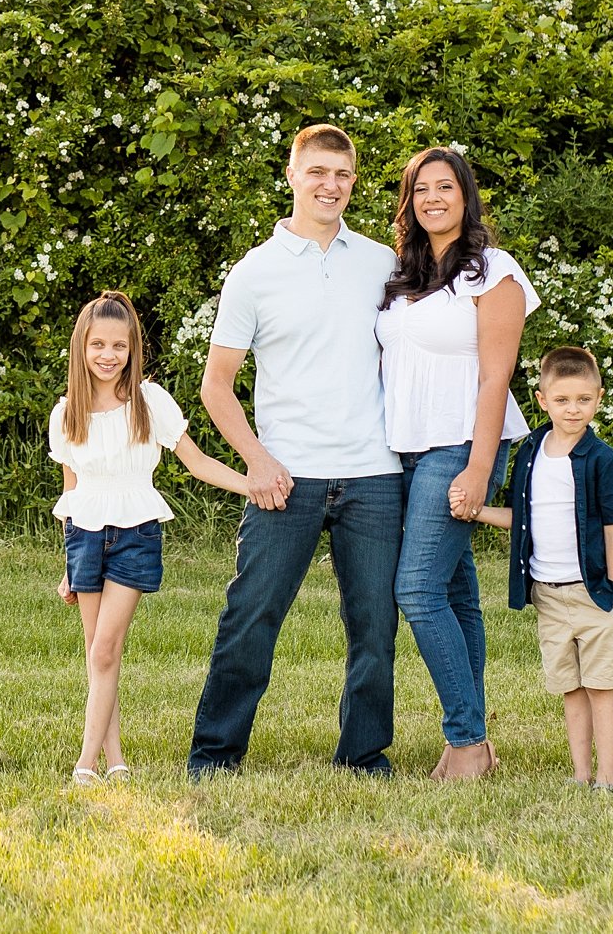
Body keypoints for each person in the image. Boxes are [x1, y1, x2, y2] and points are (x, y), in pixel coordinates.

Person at [188, 123, 406, 777]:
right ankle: (215, 754)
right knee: (250, 617)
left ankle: (364, 754)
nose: (329, 185)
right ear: (291, 175)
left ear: (353, 182)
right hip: (286, 477)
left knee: (374, 627)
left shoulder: (381, 263)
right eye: (316, 171)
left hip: (374, 473)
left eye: (341, 174)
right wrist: (256, 459)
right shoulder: (254, 272)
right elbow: (216, 386)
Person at [379, 145, 535, 781]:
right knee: (451, 588)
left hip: (463, 443)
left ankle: (467, 739)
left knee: (415, 589)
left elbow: (497, 377)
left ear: (466, 197)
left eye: (445, 188)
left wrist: (477, 469)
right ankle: (474, 737)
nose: (433, 199)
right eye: (421, 191)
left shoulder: (493, 271)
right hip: (407, 446)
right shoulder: (403, 274)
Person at [50, 290, 250, 785]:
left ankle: (85, 764)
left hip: (135, 531)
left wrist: (253, 482)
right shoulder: (66, 413)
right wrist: (68, 566)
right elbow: (70, 491)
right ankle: (114, 759)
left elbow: (197, 462)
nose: (108, 356)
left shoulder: (149, 401)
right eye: (98, 345)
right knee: (99, 653)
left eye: (119, 346)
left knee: (104, 649)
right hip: (85, 535)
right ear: (82, 347)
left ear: (132, 348)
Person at [466, 346, 613, 790]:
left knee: (601, 686)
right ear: (543, 400)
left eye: (583, 399)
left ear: (598, 398)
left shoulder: (605, 461)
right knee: (570, 689)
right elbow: (522, 519)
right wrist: (477, 510)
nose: (573, 409)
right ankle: (580, 774)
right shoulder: (530, 454)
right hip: (547, 592)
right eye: (562, 400)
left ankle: (608, 777)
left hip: (593, 591)